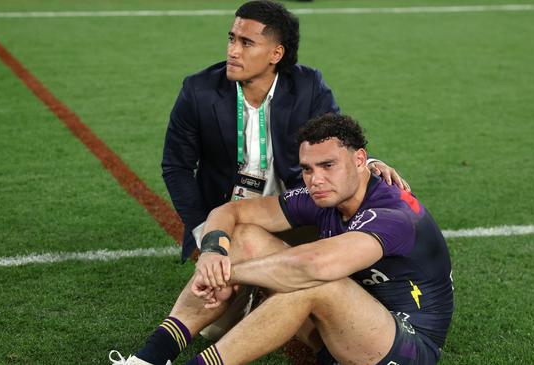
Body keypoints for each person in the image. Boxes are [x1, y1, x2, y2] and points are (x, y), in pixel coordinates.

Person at [110, 114, 453, 365]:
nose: (315, 179)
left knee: (317, 281)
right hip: (343, 331)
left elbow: (315, 266)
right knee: (242, 237)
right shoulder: (325, 194)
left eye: (327, 165)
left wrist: (228, 272)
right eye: (307, 168)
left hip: (405, 348)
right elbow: (232, 212)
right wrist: (214, 252)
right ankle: (149, 357)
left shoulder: (394, 215)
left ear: (360, 160)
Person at [161, 0, 408, 263]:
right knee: (227, 290)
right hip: (228, 216)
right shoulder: (198, 91)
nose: (232, 51)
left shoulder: (307, 86)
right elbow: (177, 166)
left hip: (290, 214)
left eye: (246, 43)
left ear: (276, 54)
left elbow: (337, 138)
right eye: (231, 39)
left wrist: (369, 163)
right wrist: (203, 232)